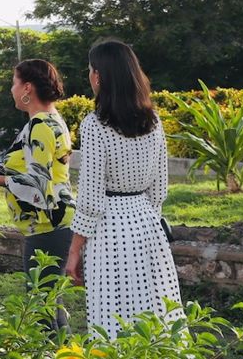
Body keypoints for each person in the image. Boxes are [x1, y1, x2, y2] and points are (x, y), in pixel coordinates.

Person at [64, 39, 184, 340]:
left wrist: (74, 251)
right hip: (147, 225)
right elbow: (159, 190)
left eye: (91, 70)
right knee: (155, 312)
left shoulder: (94, 125)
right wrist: (145, 217)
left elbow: (90, 200)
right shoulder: (153, 121)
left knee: (112, 315)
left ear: (99, 77)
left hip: (109, 230)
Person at [0, 59, 75, 329]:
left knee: (41, 309)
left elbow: (37, 185)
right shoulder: (52, 120)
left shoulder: (40, 125)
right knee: (49, 304)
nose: (11, 89)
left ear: (27, 87)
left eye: (14, 82)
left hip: (47, 227)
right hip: (52, 226)